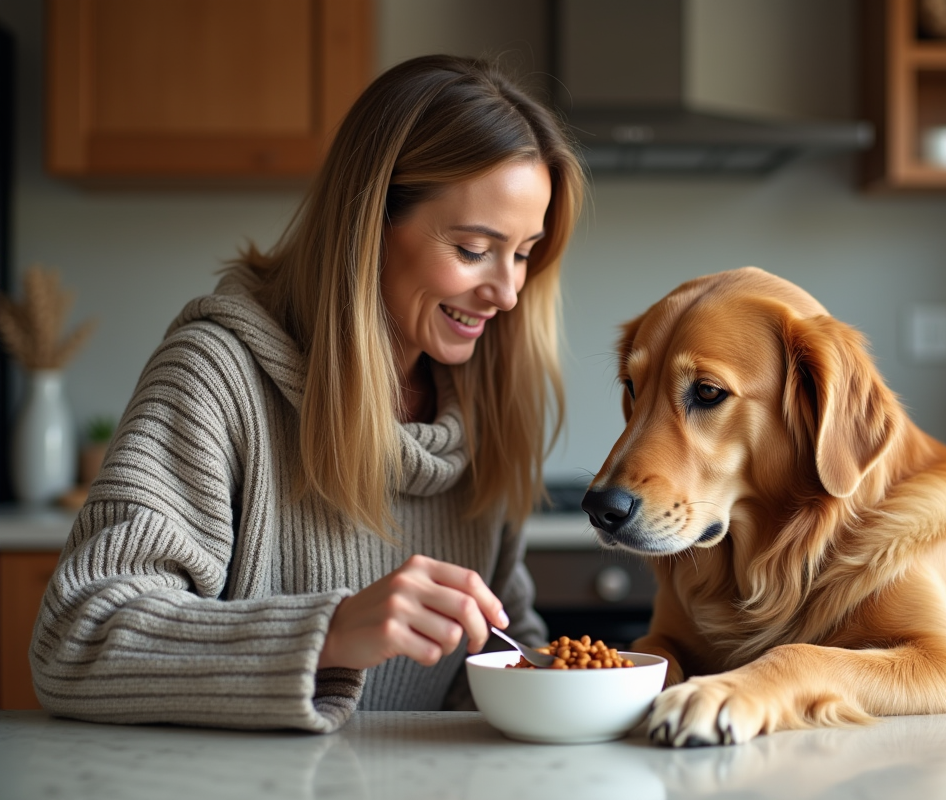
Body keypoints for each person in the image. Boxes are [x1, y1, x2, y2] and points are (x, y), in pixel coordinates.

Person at [29, 55, 585, 732]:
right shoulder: (216, 376)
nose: (508, 291)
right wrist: (330, 633)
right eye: (474, 249)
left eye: (526, 252)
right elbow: (78, 642)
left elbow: (497, 650)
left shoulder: (482, 405)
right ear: (369, 223)